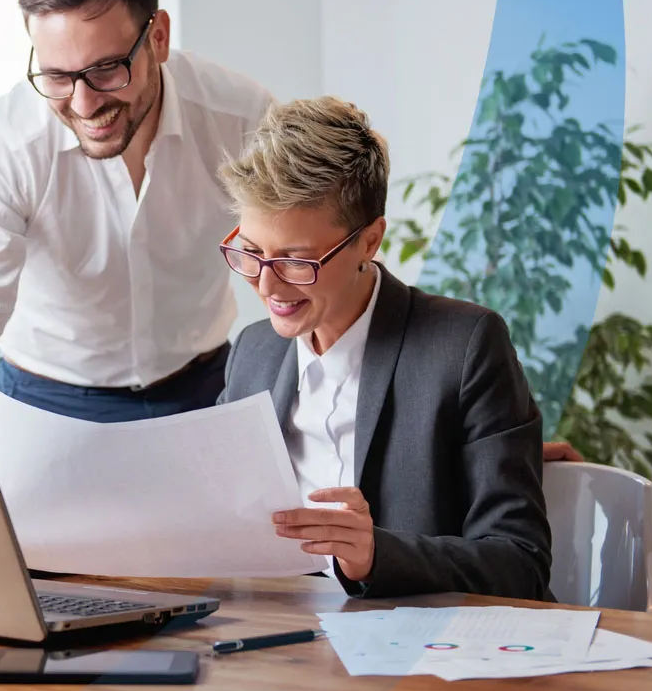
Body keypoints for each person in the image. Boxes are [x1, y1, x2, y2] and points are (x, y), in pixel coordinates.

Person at [0, 0, 274, 421]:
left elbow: (299, 257)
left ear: (159, 38)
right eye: (58, 76)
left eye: (106, 70)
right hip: (48, 395)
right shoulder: (4, 145)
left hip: (204, 382)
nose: (84, 105)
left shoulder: (241, 118)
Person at [215, 96, 554, 601]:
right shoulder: (253, 352)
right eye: (252, 253)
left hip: (421, 650)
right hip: (279, 636)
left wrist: (377, 554)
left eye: (296, 262)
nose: (267, 286)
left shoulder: (463, 348)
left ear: (369, 242)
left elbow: (520, 563)